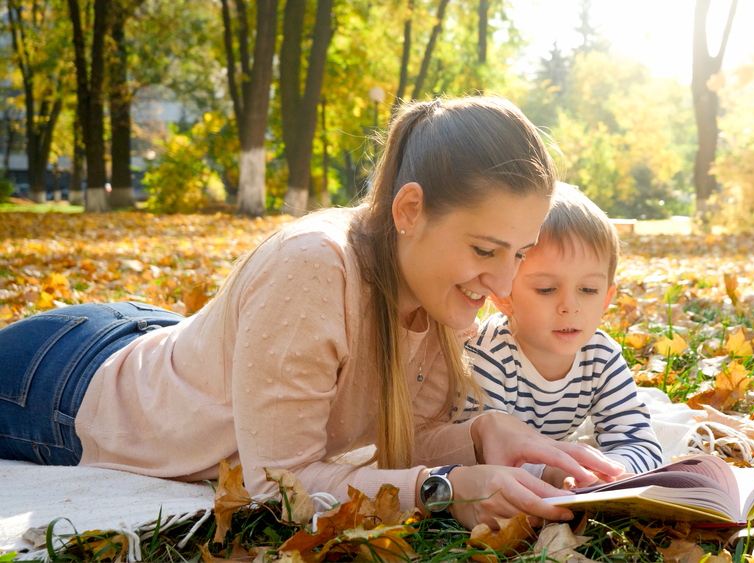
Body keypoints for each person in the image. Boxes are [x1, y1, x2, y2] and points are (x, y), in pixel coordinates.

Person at [0, 97, 625, 530]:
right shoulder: (312, 269)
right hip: (62, 384)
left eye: (518, 253)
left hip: (163, 341)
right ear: (409, 211)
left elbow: (399, 444)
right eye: (485, 250)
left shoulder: (438, 297)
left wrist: (483, 435)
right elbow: (281, 486)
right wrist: (444, 490)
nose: (504, 283)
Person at [462, 184, 662, 488]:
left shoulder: (601, 357)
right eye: (546, 289)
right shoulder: (488, 357)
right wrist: (552, 473)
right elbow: (481, 456)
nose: (570, 306)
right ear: (503, 295)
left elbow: (640, 441)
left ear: (607, 298)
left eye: (588, 290)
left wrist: (610, 472)